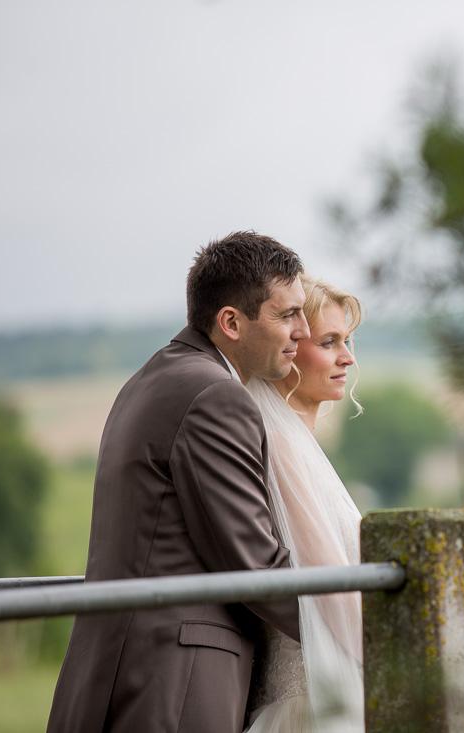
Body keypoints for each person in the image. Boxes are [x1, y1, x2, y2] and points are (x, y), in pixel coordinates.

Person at [48, 231, 310, 733]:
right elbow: (254, 563)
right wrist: (353, 624)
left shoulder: (153, 379)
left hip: (123, 663)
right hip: (174, 680)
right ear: (231, 322)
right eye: (287, 315)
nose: (303, 329)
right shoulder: (215, 397)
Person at [243, 275, 365, 733]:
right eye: (329, 342)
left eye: (347, 341)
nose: (347, 357)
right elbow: (327, 583)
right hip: (310, 705)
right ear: (289, 349)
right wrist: (392, 661)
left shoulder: (300, 448)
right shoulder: (280, 446)